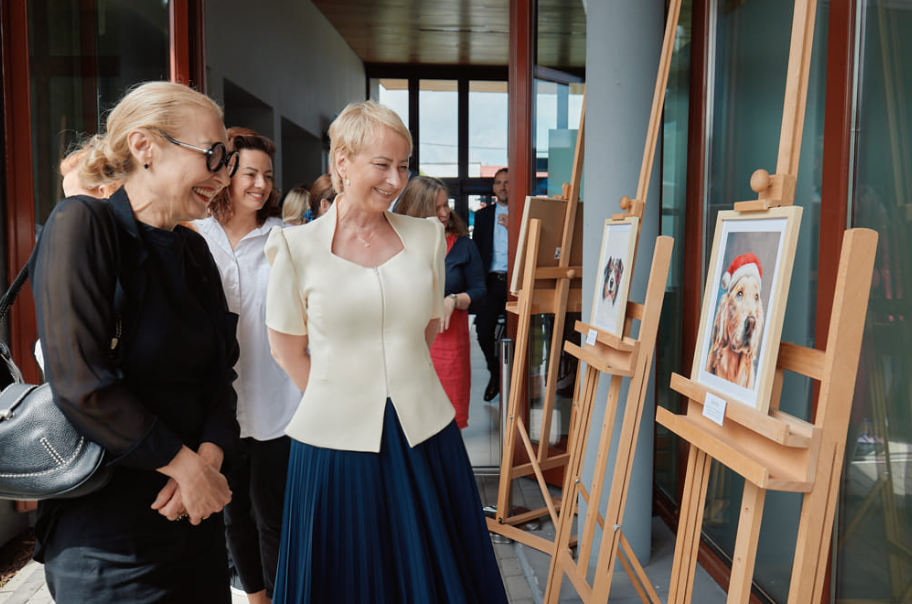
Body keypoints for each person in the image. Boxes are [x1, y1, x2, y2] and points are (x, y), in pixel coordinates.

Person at [265, 100, 507, 603]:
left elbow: (421, 333)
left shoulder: (427, 238)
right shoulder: (294, 248)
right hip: (332, 442)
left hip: (424, 431)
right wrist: (343, 401)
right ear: (342, 162)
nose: (396, 180)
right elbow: (287, 350)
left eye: (404, 165)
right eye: (383, 164)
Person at [29, 81, 241, 603]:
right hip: (108, 541)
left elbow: (222, 375)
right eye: (213, 155)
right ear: (145, 146)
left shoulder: (194, 251)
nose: (222, 175)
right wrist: (186, 467)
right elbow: (81, 381)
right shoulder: (82, 224)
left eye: (228, 160)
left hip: (195, 519)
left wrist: (208, 463)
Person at [195, 127, 300, 604]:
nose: (261, 184)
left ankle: (281, 595)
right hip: (217, 403)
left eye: (268, 176)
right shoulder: (195, 234)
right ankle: (254, 596)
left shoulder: (285, 239)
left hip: (278, 398)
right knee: (232, 510)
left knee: (274, 512)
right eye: (250, 173)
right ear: (225, 175)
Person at [395, 176, 485, 428]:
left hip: (449, 344)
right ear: (419, 210)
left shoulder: (463, 246)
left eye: (447, 205)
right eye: (437, 208)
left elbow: (479, 291)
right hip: (409, 344)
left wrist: (454, 299)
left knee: (448, 421)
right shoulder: (398, 244)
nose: (445, 213)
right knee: (412, 420)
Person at [472, 166, 510, 401]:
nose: (503, 186)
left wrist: (513, 226)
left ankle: (517, 380)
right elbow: (477, 251)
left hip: (516, 284)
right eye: (498, 183)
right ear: (493, 188)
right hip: (491, 282)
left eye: (507, 182)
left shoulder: (526, 212)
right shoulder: (483, 216)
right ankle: (495, 373)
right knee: (483, 332)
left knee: (519, 334)